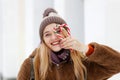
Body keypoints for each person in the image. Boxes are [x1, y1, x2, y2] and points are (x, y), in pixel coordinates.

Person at [17, 8, 120, 80]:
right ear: (43, 40)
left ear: (66, 32)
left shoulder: (82, 65)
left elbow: (117, 64)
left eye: (58, 31)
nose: (54, 37)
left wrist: (86, 49)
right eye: (47, 34)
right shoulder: (31, 66)